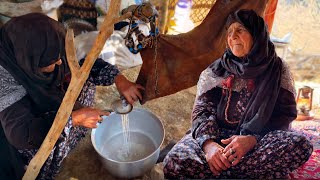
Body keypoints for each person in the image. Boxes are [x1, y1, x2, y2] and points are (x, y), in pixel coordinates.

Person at [163, 9, 313, 179]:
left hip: (257, 142)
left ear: (257, 36)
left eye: (240, 30)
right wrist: (209, 145)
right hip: (217, 138)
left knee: (301, 145)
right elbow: (202, 112)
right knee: (174, 162)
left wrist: (252, 140)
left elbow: (284, 115)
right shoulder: (217, 70)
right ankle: (247, 172)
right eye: (229, 32)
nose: (232, 36)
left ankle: (219, 171)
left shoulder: (277, 70)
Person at [0, 13, 144, 179]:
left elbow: (83, 63)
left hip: (51, 99)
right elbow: (20, 134)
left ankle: (74, 128)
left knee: (83, 80)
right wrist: (73, 119)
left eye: (58, 56)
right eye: (51, 61)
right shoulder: (5, 77)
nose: (60, 62)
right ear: (31, 61)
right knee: (41, 145)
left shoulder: (44, 45)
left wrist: (119, 79)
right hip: (28, 130)